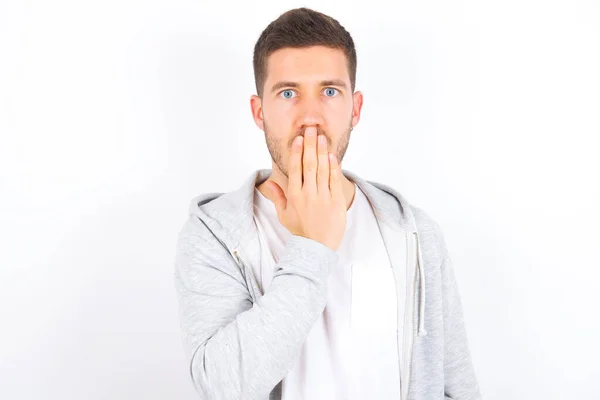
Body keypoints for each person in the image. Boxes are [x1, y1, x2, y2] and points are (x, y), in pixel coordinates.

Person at [174, 7, 481, 400]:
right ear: (258, 112)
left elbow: (456, 385)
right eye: (288, 93)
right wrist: (313, 248)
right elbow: (222, 386)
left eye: (330, 91)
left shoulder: (413, 233)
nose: (310, 117)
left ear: (355, 108)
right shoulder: (214, 235)